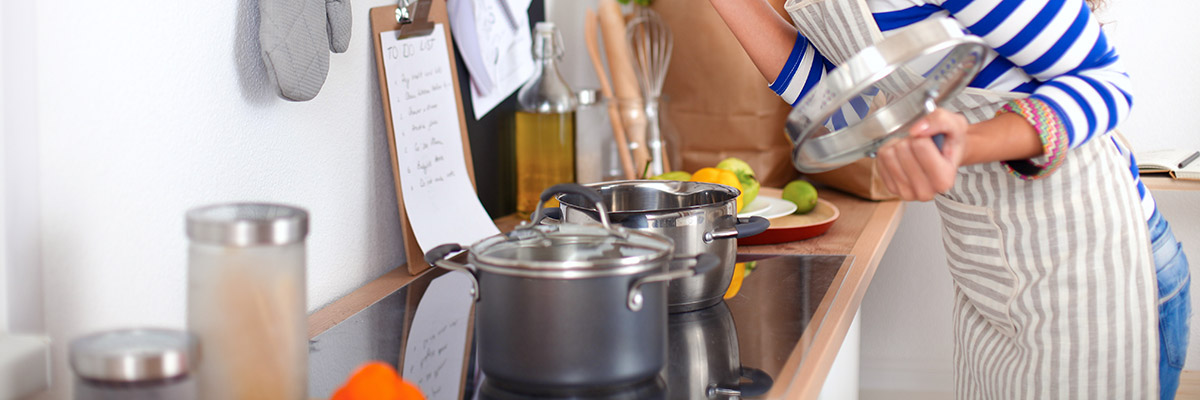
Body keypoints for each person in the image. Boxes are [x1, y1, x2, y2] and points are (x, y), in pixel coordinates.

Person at [708, 0, 1191, 398]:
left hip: (1093, 268)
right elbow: (851, 104)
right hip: (992, 278)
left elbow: (1104, 80)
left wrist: (967, 144)